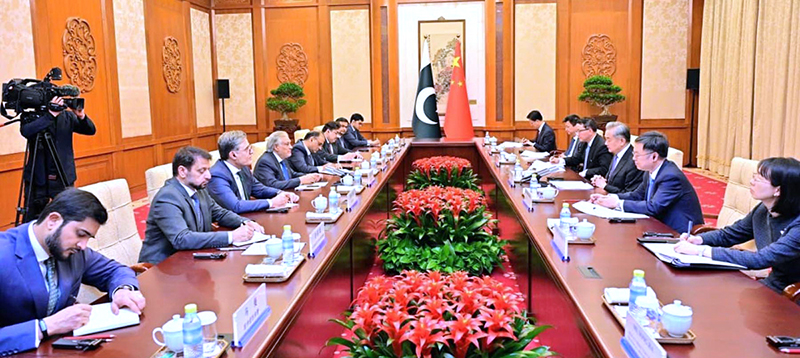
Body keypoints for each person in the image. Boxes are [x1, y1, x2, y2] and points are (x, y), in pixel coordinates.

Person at [0, 189, 146, 354]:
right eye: (80, 234)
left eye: (87, 238)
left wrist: (122, 290)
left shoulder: (74, 252)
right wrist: (46, 326)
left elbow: (115, 271)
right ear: (53, 220)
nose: (83, 245)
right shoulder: (4, 255)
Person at [674, 157, 800, 296]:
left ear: (778, 190)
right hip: (775, 284)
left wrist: (701, 251)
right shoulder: (763, 209)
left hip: (793, 294)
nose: (752, 182)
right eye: (754, 176)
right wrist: (699, 239)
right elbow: (731, 234)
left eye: (759, 179)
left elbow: (760, 259)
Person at [139, 146, 264, 265]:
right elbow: (182, 239)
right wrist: (232, 236)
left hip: (191, 260)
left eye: (208, 170)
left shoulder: (199, 190)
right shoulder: (167, 197)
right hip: (163, 268)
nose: (208, 176)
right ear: (182, 171)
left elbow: (220, 213)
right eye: (201, 171)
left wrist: (245, 222)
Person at [590, 131, 704, 233]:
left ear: (654, 156)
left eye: (637, 154)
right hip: (657, 225)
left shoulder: (671, 176)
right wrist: (610, 198)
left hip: (678, 232)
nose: (633, 158)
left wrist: (618, 204)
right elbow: (637, 195)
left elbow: (654, 207)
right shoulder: (650, 170)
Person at [20, 97, 97, 223]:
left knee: (68, 215)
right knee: (33, 218)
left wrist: (81, 115)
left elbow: (90, 130)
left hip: (63, 175)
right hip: (38, 176)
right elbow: (26, 131)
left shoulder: (67, 116)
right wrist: (51, 115)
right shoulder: (33, 115)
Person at [208, 131, 297, 213]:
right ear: (233, 155)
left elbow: (259, 189)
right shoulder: (217, 176)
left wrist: (280, 193)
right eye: (247, 149)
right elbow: (235, 206)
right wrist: (271, 202)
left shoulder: (243, 168)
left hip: (247, 217)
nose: (252, 152)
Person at [254, 131, 322, 190]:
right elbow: (273, 184)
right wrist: (300, 180)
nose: (291, 147)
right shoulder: (266, 162)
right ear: (276, 147)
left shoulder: (282, 158)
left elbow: (292, 174)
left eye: (290, 143)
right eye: (287, 144)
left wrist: (310, 176)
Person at [590, 122, 643, 194]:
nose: (605, 143)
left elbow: (629, 194)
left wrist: (604, 186)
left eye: (609, 139)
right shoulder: (617, 154)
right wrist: (600, 180)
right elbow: (612, 182)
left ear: (622, 141)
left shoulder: (634, 161)